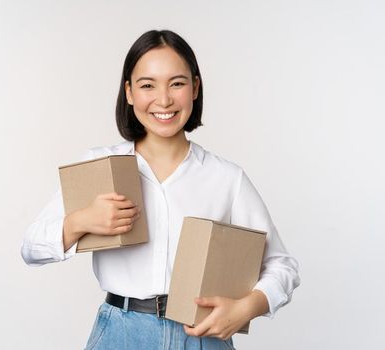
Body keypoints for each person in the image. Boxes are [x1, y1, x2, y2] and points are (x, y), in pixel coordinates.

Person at [20, 29, 300, 350]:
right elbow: (31, 249)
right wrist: (80, 222)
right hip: (121, 333)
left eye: (177, 83)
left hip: (201, 336)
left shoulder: (226, 178)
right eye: (147, 85)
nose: (164, 100)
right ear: (129, 92)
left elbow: (282, 265)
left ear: (195, 88)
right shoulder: (100, 167)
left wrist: (247, 307)